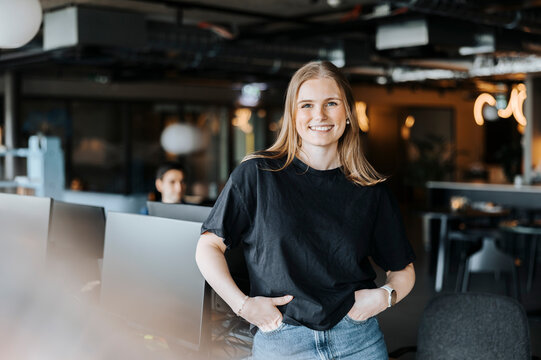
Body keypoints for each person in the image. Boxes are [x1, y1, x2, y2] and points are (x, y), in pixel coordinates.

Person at [195, 61, 415, 359]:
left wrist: (384, 298)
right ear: (293, 115)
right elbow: (208, 246)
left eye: (331, 103)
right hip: (282, 340)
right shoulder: (258, 174)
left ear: (348, 112)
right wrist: (243, 305)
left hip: (357, 340)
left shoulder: (369, 188)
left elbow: (403, 271)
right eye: (307, 105)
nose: (319, 116)